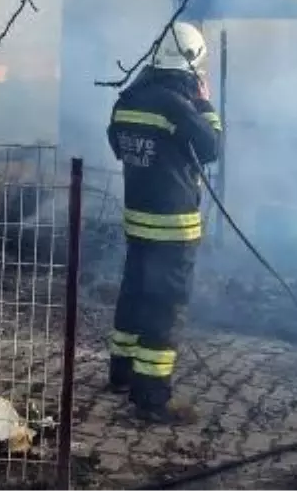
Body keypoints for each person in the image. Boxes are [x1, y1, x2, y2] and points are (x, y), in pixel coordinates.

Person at [105, 21, 222, 424]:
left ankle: (120, 373)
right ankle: (151, 395)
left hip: (137, 220)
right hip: (173, 227)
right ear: (191, 64)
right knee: (164, 307)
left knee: (134, 296)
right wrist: (205, 105)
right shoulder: (177, 105)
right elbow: (211, 148)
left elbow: (117, 144)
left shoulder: (129, 99)